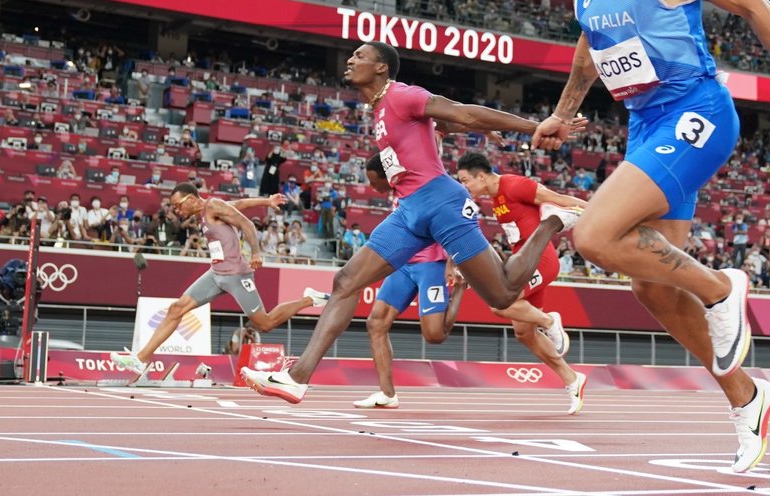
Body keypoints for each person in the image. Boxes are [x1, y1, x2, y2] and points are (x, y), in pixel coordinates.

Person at [533, 0, 770, 473]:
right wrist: (564, 112)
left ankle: (723, 290)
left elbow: (755, 5)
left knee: (593, 234)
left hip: (697, 111)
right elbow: (592, 44)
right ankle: (747, 398)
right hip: (644, 124)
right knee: (650, 285)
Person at [240, 41, 583, 403]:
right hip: (408, 212)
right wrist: (474, 130)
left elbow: (462, 112)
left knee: (502, 293)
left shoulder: (402, 95)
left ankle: (553, 222)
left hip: (441, 203)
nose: (350, 60)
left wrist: (534, 127)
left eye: (360, 56)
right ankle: (296, 378)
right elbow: (444, 123)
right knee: (346, 281)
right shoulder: (379, 110)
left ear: (381, 68)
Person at [111, 188, 329, 375]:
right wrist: (267, 201)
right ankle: (141, 359)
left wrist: (255, 252)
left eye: (178, 206)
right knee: (176, 309)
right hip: (215, 275)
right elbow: (241, 203)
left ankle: (309, 299)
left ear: (192, 198)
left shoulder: (213, 205)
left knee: (265, 323)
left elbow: (247, 225)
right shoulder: (208, 210)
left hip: (237, 275)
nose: (177, 211)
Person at [456, 151, 587, 414]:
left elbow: (559, 199)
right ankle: (572, 379)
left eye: (465, 180)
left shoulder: (515, 185)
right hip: (522, 264)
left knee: (499, 303)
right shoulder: (495, 199)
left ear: (480, 176)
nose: (464, 187)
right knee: (524, 333)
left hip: (541, 260)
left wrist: (598, 216)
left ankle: (550, 321)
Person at [352, 155, 467, 409]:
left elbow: (445, 219)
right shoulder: (397, 187)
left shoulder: (420, 183)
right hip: (403, 263)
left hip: (431, 263)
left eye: (373, 182)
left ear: (386, 175)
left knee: (434, 335)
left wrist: (451, 262)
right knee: (376, 322)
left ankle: (460, 290)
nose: (372, 188)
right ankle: (387, 394)